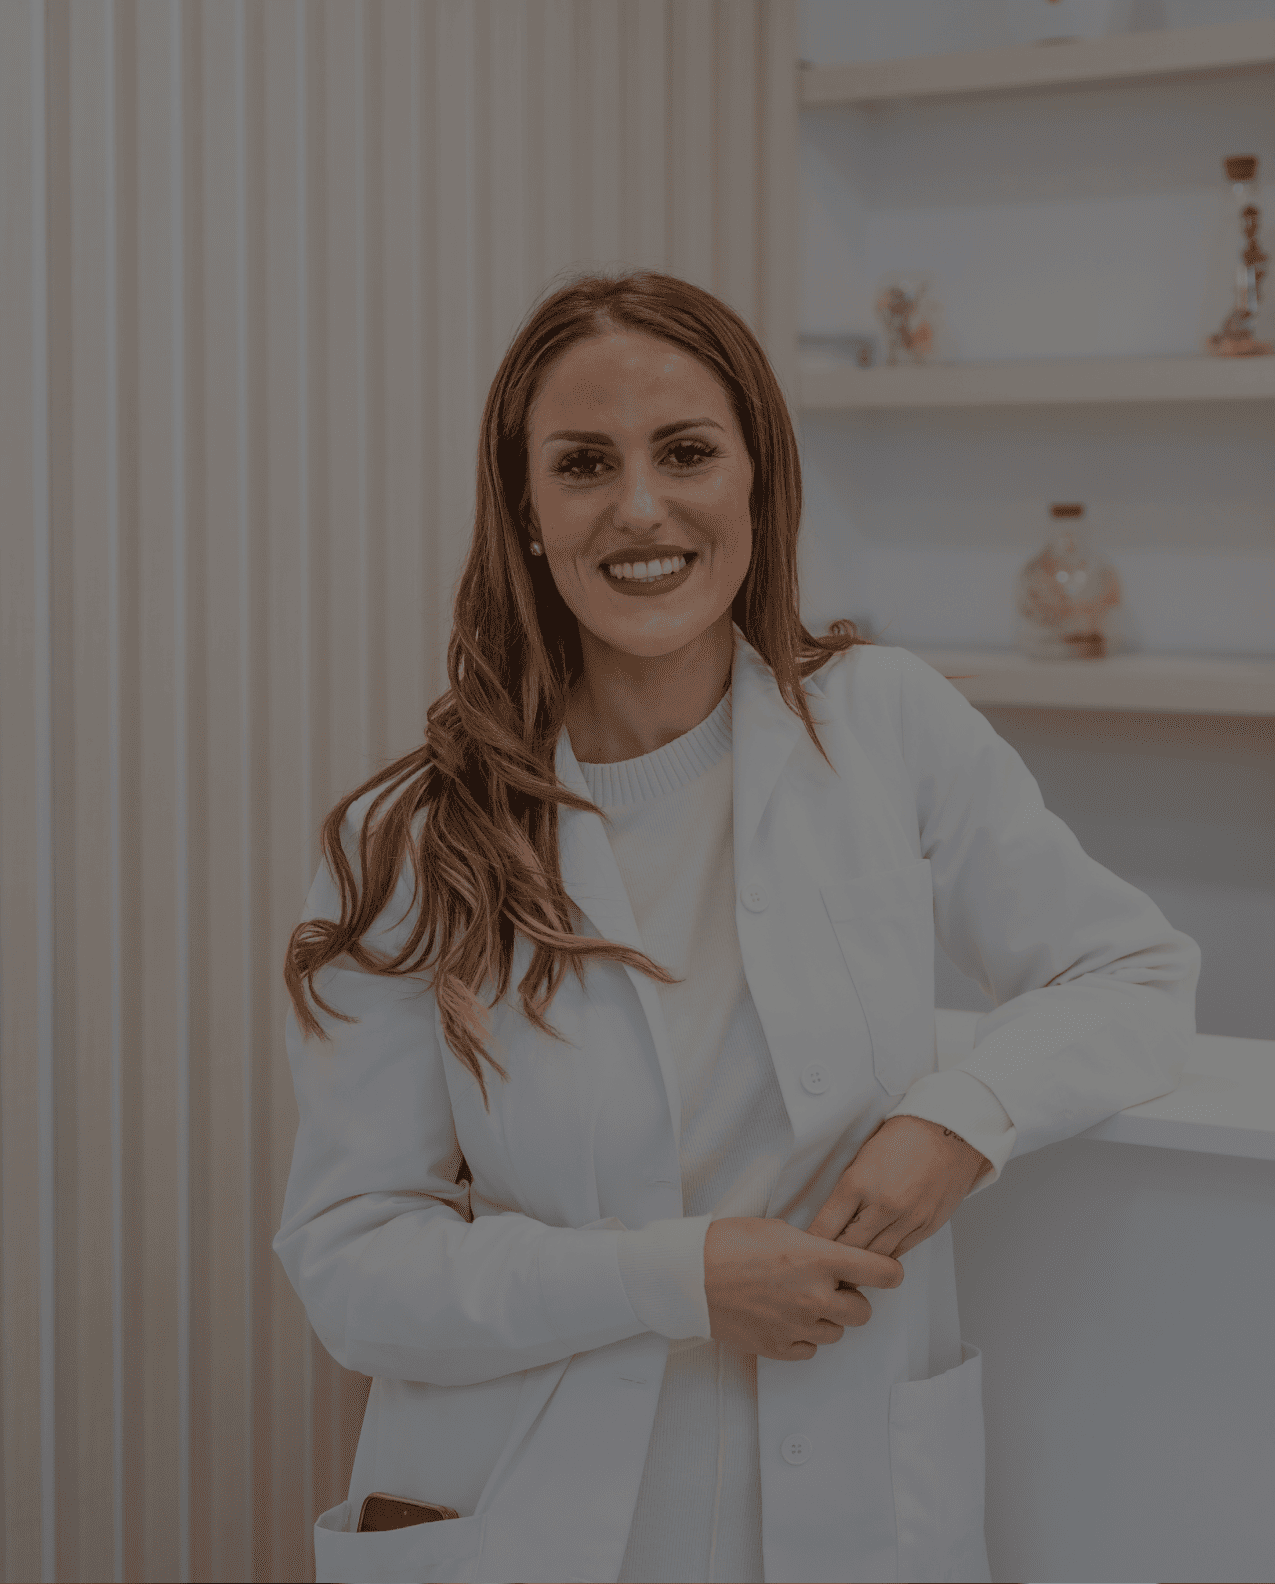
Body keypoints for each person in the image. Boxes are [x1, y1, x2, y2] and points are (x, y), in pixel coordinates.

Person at [274, 269, 1200, 1584]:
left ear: (757, 481)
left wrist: (960, 1119)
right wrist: (679, 1278)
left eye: (687, 453)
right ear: (525, 510)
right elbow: (354, 1270)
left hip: (849, 1507)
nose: (640, 508)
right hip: (538, 1517)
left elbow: (1130, 969)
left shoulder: (883, 722)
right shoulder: (409, 839)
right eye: (583, 464)